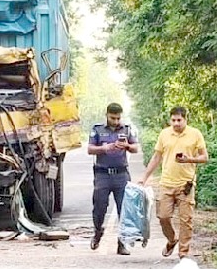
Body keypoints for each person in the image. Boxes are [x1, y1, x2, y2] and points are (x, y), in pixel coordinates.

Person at [138, 107, 208, 259]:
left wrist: (189, 159)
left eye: (179, 120)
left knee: (186, 220)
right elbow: (156, 157)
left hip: (186, 184)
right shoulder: (164, 134)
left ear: (185, 119)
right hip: (166, 183)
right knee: (163, 216)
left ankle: (183, 253)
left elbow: (204, 157)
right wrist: (145, 177)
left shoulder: (195, 134)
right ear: (170, 120)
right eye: (173, 120)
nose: (176, 123)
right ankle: (171, 240)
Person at [87, 103, 140, 255]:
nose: (116, 121)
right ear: (107, 115)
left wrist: (127, 146)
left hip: (121, 175)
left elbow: (136, 148)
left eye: (118, 118)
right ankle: (98, 231)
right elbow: (90, 149)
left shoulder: (126, 129)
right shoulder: (97, 129)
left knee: (124, 209)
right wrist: (105, 148)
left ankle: (122, 243)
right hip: (102, 174)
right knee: (99, 208)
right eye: (113, 118)